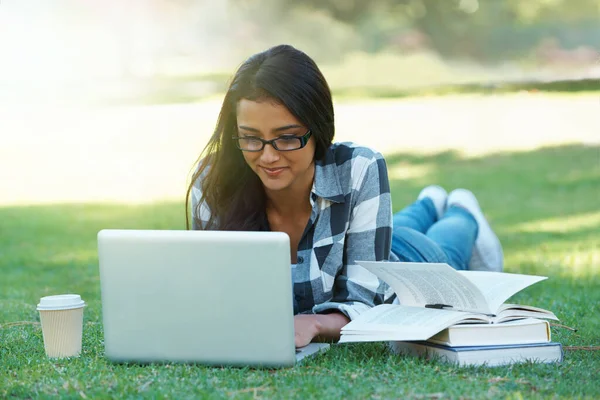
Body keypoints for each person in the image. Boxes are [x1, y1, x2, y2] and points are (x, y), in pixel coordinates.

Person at [185, 44, 503, 348]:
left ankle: (462, 207)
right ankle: (430, 201)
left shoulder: (358, 167)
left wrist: (315, 323)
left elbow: (368, 300)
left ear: (317, 128)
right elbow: (217, 295)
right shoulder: (214, 182)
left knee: (449, 240)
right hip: (372, 241)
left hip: (403, 264)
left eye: (286, 138)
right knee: (404, 221)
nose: (268, 157)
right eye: (251, 138)